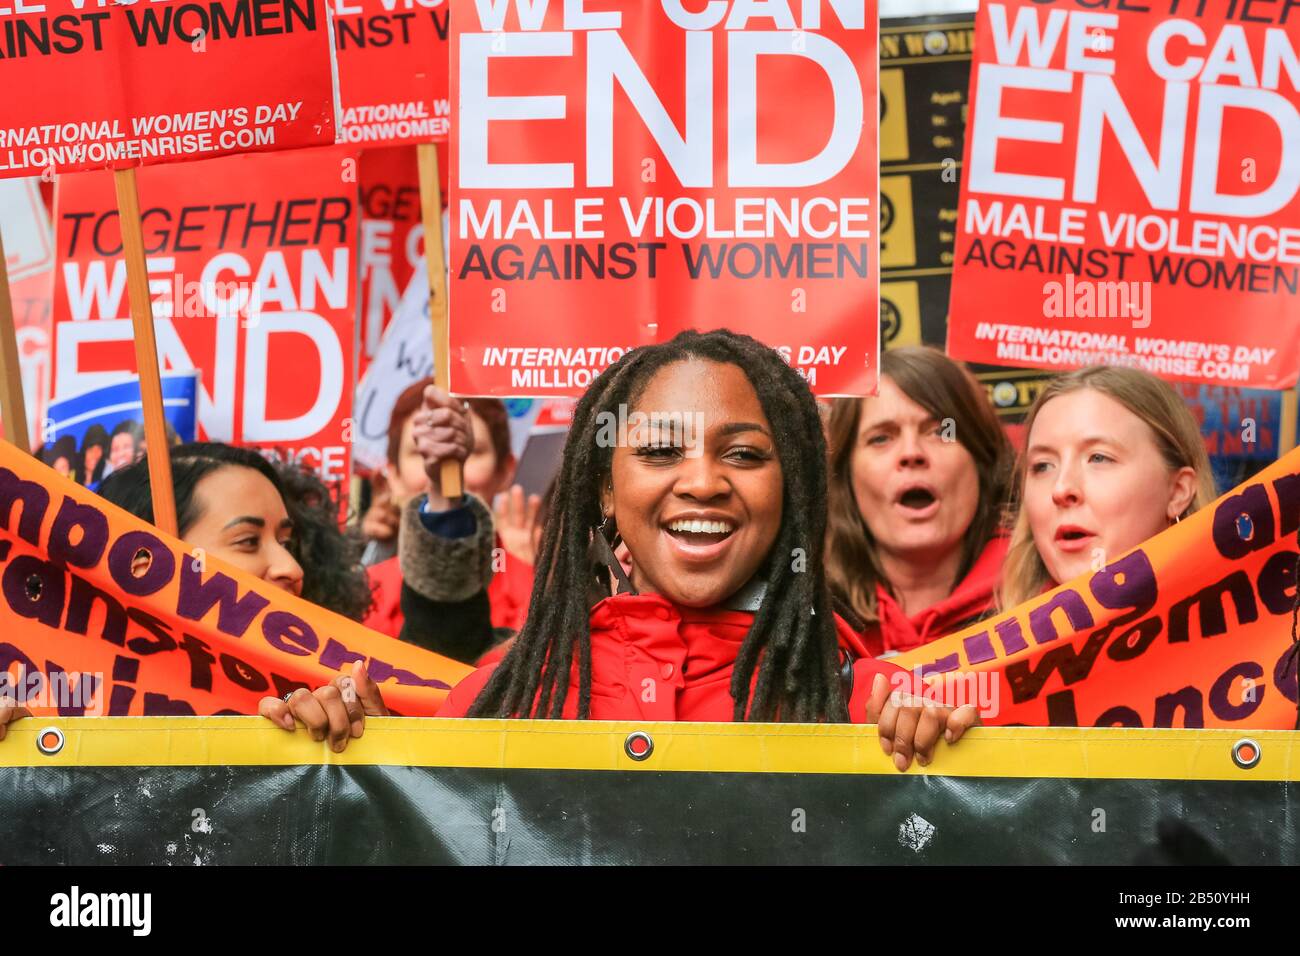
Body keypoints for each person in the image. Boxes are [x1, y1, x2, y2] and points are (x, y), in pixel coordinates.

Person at [260, 330, 980, 769]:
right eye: (661, 452)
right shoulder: (502, 698)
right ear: (605, 490)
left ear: (791, 491)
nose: (702, 481)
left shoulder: (872, 702)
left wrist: (943, 773)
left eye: (745, 454)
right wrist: (373, 768)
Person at [826, 347, 1014, 657]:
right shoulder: (804, 623)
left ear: (983, 462)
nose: (911, 452)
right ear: (845, 478)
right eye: (882, 438)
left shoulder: (1050, 603)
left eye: (940, 432)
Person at [1000, 365, 1216, 608]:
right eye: (1043, 466)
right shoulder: (985, 645)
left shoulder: (1253, 641)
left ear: (1178, 491)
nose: (1061, 489)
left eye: (1099, 458)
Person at [362, 379, 540, 639]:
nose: (446, 471)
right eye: (423, 452)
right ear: (393, 475)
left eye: (469, 452)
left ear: (505, 470)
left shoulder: (545, 595)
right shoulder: (361, 598)